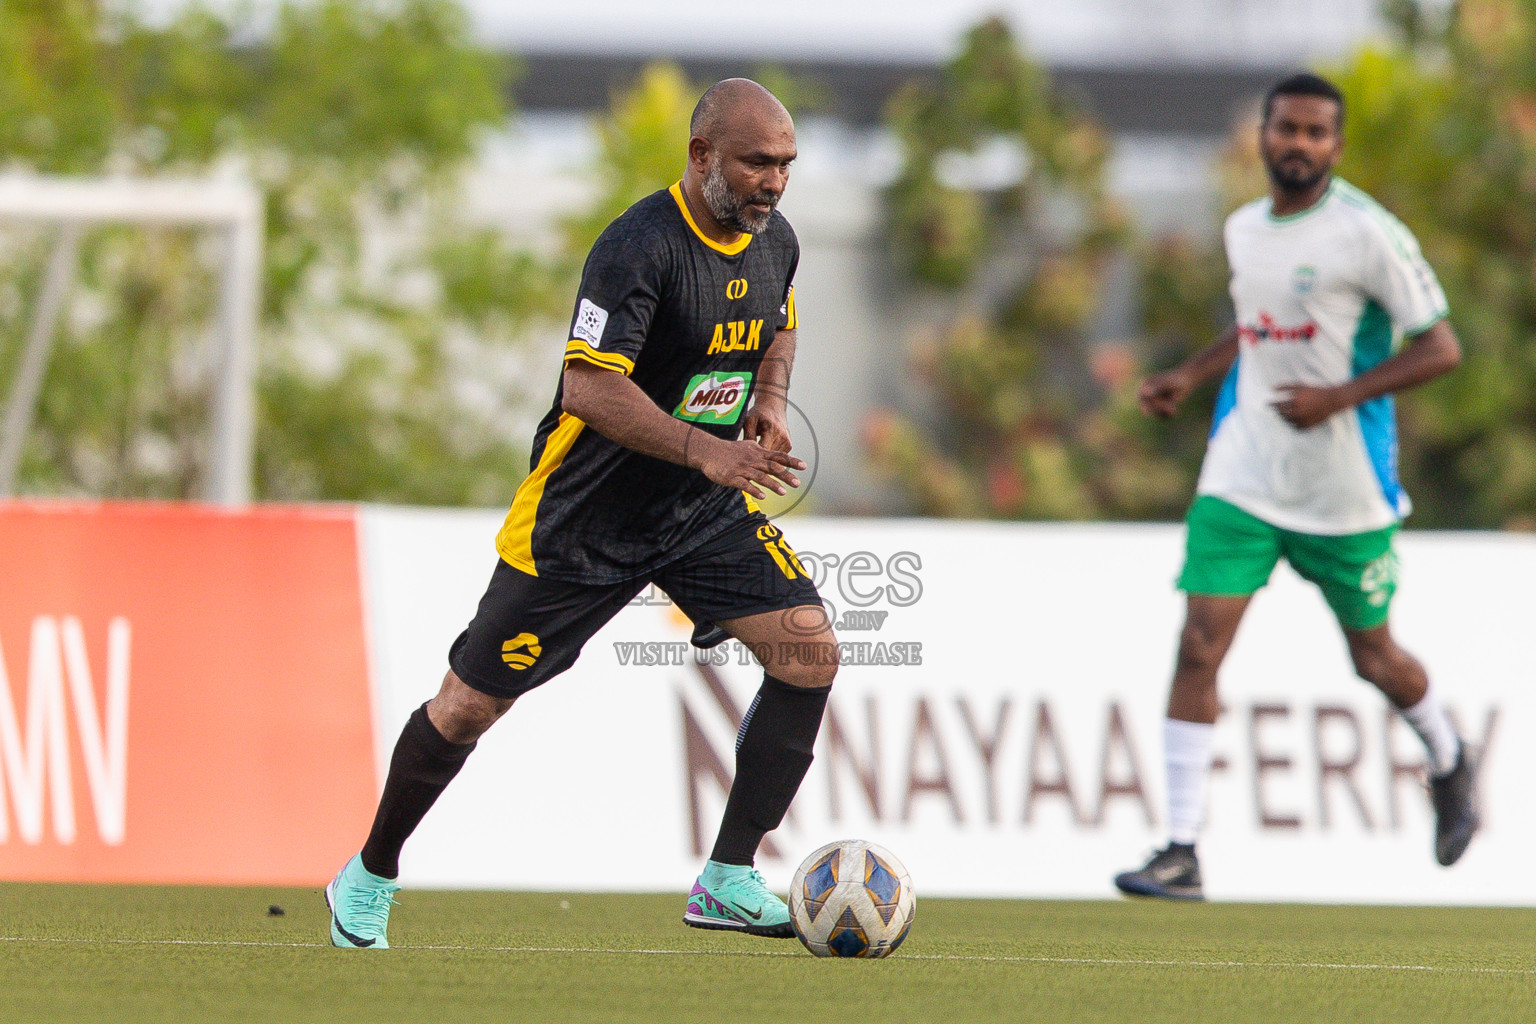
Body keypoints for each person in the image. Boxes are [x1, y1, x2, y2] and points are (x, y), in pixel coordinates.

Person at [325, 79, 837, 947]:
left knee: (808, 652)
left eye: (786, 164)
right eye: (757, 162)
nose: (775, 182)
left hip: (697, 512)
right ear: (702, 155)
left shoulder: (773, 240)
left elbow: (779, 324)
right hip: (584, 521)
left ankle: (727, 875)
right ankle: (368, 873)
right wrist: (708, 448)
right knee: (467, 707)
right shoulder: (638, 247)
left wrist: (769, 400)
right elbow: (589, 387)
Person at [1114, 72, 1479, 901]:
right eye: (1288, 129)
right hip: (1243, 471)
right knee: (1199, 643)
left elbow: (1441, 348)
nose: (1300, 145)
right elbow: (1256, 326)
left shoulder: (1368, 234)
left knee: (1374, 657)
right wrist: (1191, 374)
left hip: (1343, 487)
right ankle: (1179, 849)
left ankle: (1450, 756)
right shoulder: (1245, 228)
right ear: (1265, 136)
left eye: (1317, 133)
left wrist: (1338, 399)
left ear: (1337, 147)